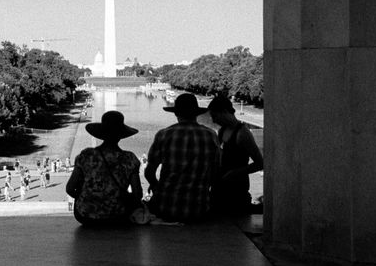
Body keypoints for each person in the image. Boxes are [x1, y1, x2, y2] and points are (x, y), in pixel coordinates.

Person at [144, 93, 220, 224]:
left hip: (166, 207)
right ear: (197, 114)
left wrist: (156, 187)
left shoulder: (164, 135)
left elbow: (149, 171)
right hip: (199, 208)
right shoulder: (211, 135)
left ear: (175, 113)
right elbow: (216, 172)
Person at [66, 110, 142, 227]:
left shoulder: (86, 155)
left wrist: (88, 198)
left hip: (85, 215)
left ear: (102, 133)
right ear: (121, 135)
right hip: (118, 216)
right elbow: (137, 195)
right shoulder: (129, 158)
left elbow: (70, 188)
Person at [206, 94, 263, 216]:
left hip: (236, 193)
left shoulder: (243, 133)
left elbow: (260, 163)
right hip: (220, 191)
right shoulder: (222, 130)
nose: (213, 120)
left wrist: (235, 173)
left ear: (225, 111)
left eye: (214, 115)